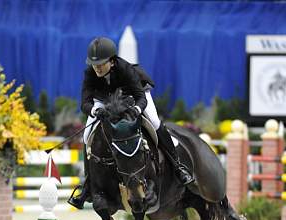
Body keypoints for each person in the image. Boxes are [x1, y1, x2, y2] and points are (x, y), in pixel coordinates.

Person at [68, 36, 194, 209]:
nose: (96, 67)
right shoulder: (90, 73)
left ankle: (178, 167)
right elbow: (85, 102)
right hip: (104, 100)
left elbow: (141, 97)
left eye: (101, 63)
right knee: (87, 134)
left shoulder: (126, 69)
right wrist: (95, 110)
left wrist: (136, 109)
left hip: (134, 95)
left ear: (112, 61)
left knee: (155, 122)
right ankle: (88, 186)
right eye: (94, 64)